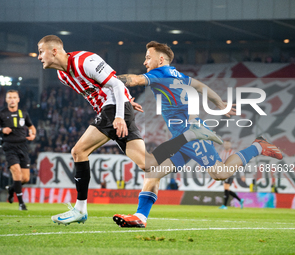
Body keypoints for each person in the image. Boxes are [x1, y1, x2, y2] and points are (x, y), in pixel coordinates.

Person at [37, 35, 222, 226]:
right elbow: (102, 91)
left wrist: (119, 114)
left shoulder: (86, 61)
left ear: (54, 51)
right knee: (148, 165)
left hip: (113, 109)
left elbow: (117, 83)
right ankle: (141, 215)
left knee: (79, 151)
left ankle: (80, 209)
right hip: (117, 107)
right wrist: (126, 102)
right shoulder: (62, 75)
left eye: (41, 51)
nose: (38, 56)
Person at [113, 41, 283, 228]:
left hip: (190, 134)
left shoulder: (158, 74)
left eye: (147, 58)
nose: (145, 62)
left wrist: (107, 80)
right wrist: (219, 104)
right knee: (153, 173)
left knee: (220, 172)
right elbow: (201, 87)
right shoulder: (179, 75)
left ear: (160, 59)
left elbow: (135, 80)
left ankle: (258, 146)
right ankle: (140, 217)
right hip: (181, 136)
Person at [0, 90, 36, 210]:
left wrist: (33, 134)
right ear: (6, 100)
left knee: (25, 178)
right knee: (16, 172)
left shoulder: (23, 113)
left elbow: (31, 126)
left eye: (14, 97)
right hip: (9, 147)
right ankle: (21, 203)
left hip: (23, 146)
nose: (12, 99)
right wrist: (1, 130)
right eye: (10, 97)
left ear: (18, 99)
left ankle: (11, 189)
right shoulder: (1, 114)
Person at [218, 139, 244, 209]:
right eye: (225, 144)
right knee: (227, 189)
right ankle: (240, 200)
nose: (226, 145)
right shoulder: (222, 153)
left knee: (226, 188)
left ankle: (225, 206)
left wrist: (242, 175)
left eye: (228, 144)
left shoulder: (233, 153)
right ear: (224, 145)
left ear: (230, 145)